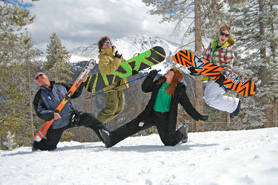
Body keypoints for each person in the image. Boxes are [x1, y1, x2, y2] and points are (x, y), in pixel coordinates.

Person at [100, 67, 208, 148]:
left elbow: (187, 105)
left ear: (175, 75)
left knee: (169, 142)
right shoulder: (159, 82)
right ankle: (111, 138)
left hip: (165, 118)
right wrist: (150, 77)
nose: (168, 70)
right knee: (132, 126)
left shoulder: (178, 89)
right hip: (151, 114)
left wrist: (198, 116)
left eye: (171, 70)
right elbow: (145, 89)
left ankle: (181, 132)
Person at [32, 72, 109, 151]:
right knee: (50, 146)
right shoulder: (39, 96)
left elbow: (75, 93)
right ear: (38, 83)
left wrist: (82, 82)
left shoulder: (61, 86)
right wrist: (51, 114)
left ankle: (108, 138)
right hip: (56, 125)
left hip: (71, 117)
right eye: (37, 78)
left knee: (91, 119)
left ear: (47, 76)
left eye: (40, 75)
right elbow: (39, 111)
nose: (39, 78)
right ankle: (37, 145)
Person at [190, 23, 240, 118]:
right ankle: (232, 107)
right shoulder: (212, 45)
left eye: (226, 35)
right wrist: (197, 69)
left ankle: (234, 105)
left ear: (228, 38)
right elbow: (205, 60)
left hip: (222, 76)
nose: (224, 36)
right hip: (213, 75)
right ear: (219, 34)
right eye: (222, 34)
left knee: (210, 99)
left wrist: (223, 77)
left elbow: (229, 64)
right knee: (208, 99)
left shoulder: (228, 48)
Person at [96, 36, 129, 123]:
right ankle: (96, 123)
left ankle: (102, 123)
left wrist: (133, 70)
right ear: (101, 46)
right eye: (105, 43)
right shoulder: (104, 58)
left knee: (119, 108)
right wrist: (117, 60)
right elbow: (108, 71)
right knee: (111, 109)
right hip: (110, 87)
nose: (108, 45)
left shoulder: (115, 56)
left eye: (109, 42)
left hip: (119, 85)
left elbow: (125, 66)